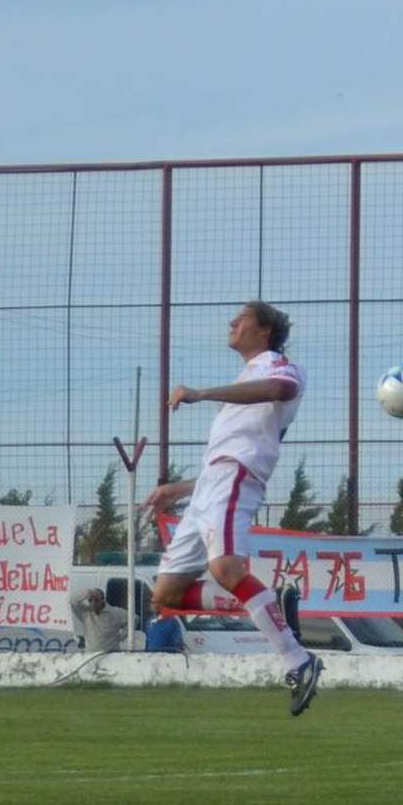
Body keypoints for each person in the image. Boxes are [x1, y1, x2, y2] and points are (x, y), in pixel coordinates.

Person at [143, 301, 323, 715]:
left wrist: (201, 393)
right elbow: (225, 455)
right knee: (164, 595)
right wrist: (180, 488)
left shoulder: (281, 366)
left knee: (227, 570)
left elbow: (281, 390)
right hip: (212, 485)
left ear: (264, 330)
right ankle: (270, 603)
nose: (231, 323)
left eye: (240, 319)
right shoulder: (246, 378)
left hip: (235, 477)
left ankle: (297, 658)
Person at [71, 586, 130, 653]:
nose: (93, 603)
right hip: (90, 656)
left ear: (103, 600)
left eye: (96, 600)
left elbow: (134, 618)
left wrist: (123, 635)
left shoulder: (115, 612)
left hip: (112, 657)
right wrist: (88, 592)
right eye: (90, 600)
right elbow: (73, 601)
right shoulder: (85, 613)